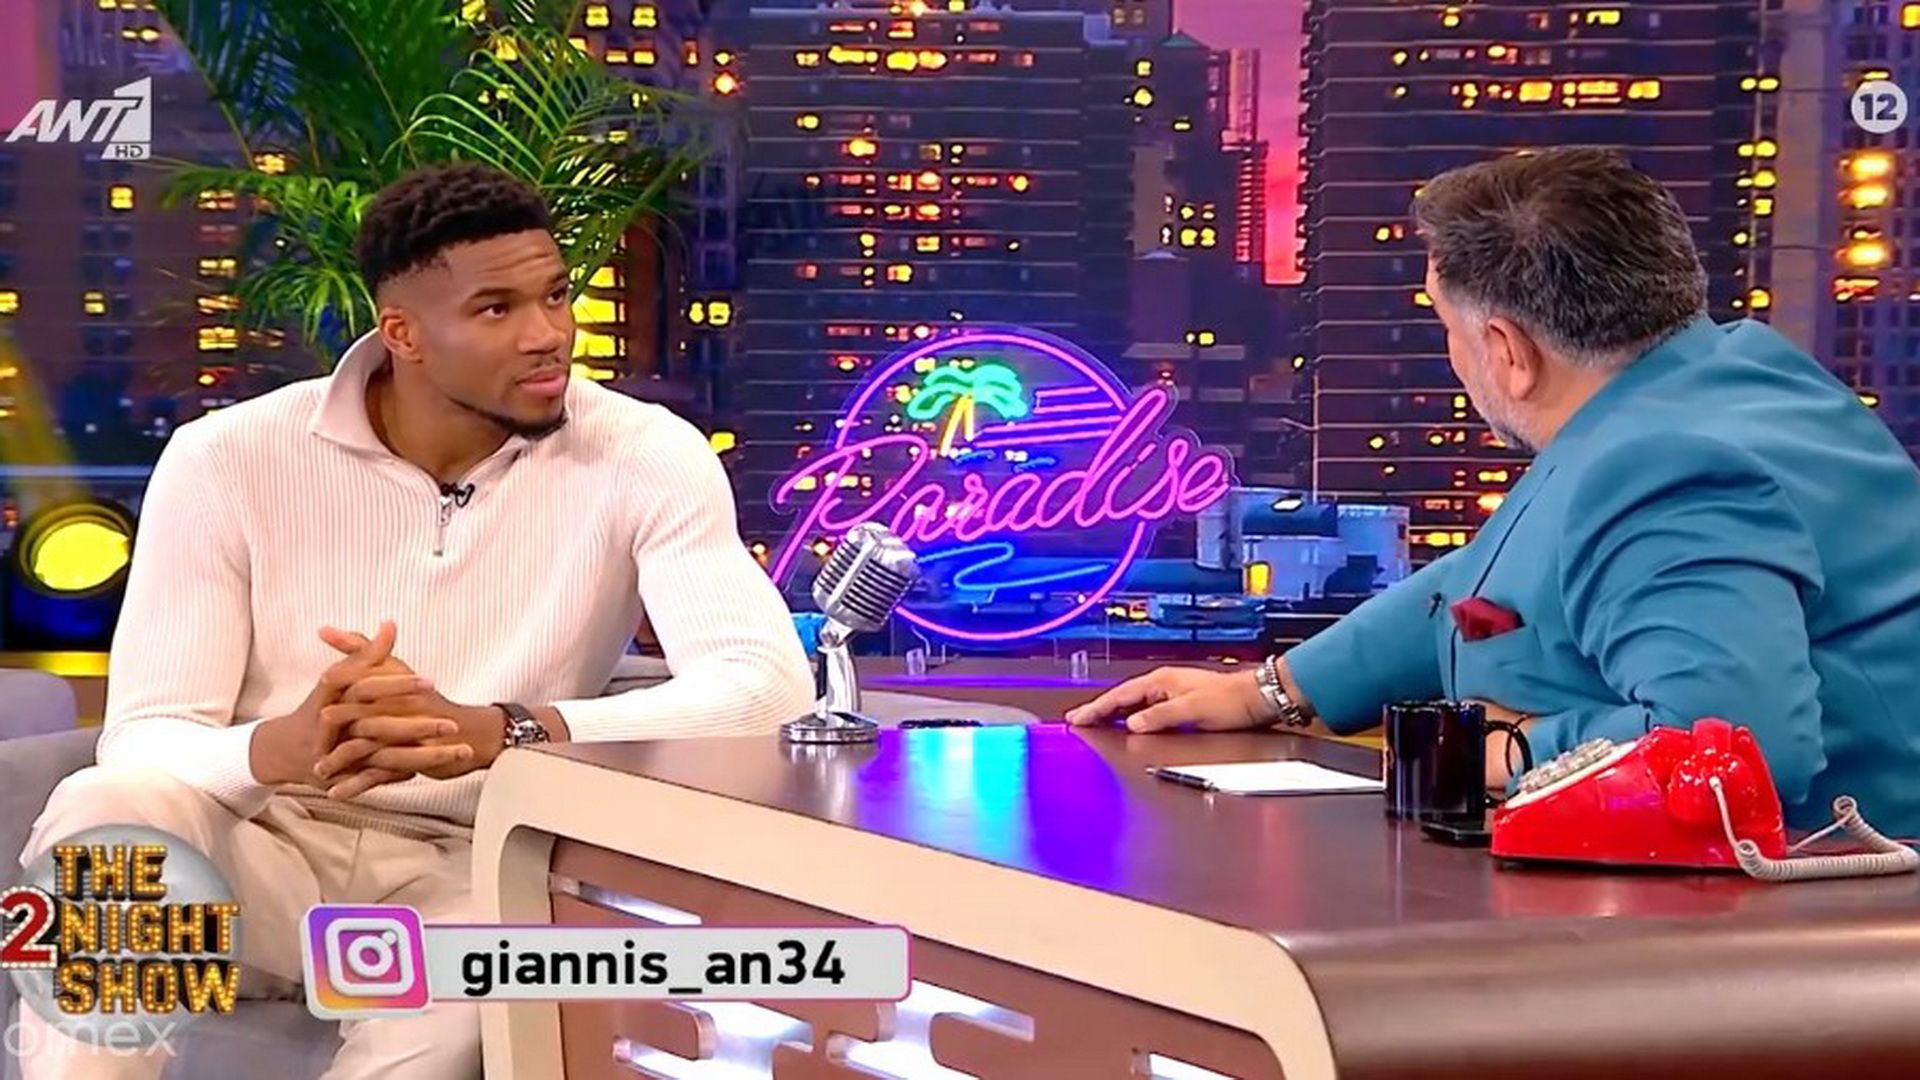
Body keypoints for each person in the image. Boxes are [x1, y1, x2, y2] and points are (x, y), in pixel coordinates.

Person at [15, 162, 813, 1078]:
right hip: (259, 853)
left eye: (555, 296)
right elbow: (143, 737)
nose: (549, 335)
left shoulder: (644, 454)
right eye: (496, 309)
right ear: (403, 334)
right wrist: (284, 747)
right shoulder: (226, 459)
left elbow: (768, 691)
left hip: (475, 871)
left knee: (478, 995)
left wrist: (503, 731)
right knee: (109, 808)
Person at [1068, 146, 1920, 837]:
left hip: (1824, 929)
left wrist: (1495, 745)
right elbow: (1485, 587)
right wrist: (1272, 690)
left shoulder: (1663, 465)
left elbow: (1739, 749)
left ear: (1509, 351)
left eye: (1446, 326)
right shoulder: (1725, 372)